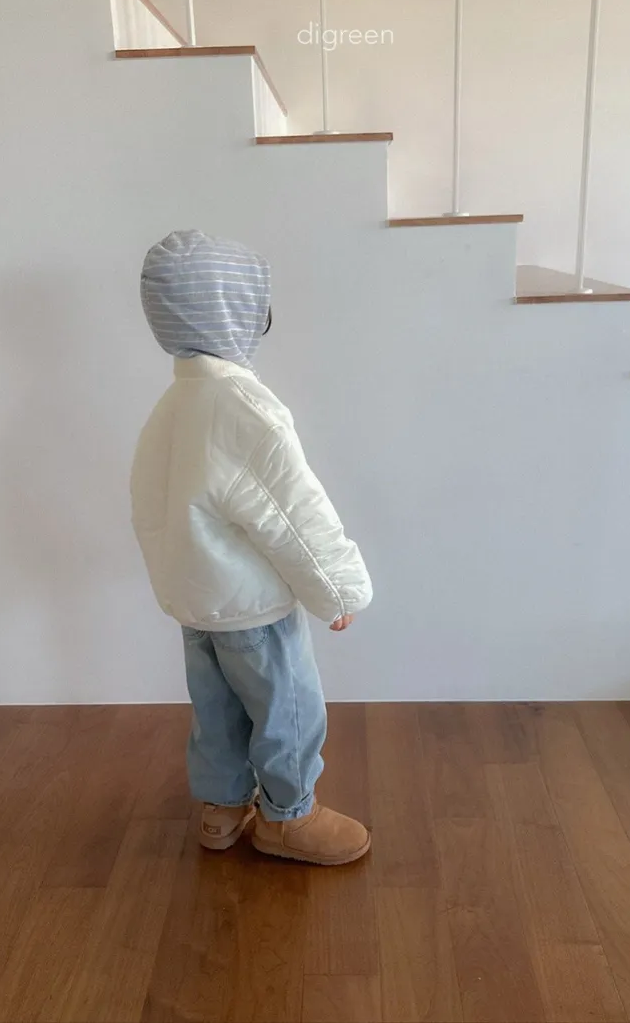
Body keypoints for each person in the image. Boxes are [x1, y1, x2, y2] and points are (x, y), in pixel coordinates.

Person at [130, 230, 373, 866]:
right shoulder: (245, 408)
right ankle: (289, 817)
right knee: (286, 710)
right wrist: (338, 590)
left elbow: (151, 507)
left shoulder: (173, 405)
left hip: (196, 605)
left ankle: (221, 808)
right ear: (236, 312)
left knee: (215, 711)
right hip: (253, 610)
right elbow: (294, 513)